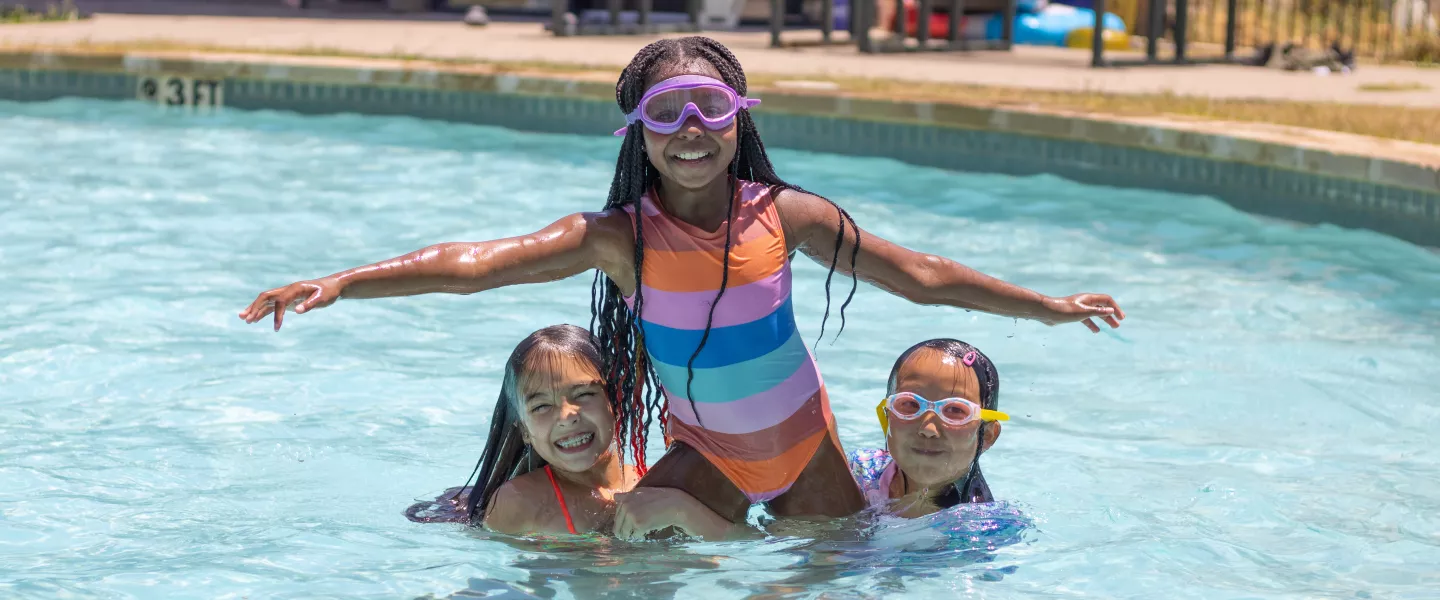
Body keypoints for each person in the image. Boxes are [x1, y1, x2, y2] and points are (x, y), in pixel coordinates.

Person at [240, 36, 1123, 529]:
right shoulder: (620, 238)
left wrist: (1044, 308)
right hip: (711, 451)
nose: (691, 130)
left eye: (711, 110)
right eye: (667, 113)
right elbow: (477, 266)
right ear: (639, 131)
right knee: (635, 550)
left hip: (808, 443)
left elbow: (922, 278)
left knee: (845, 574)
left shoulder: (789, 216)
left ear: (740, 121)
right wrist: (344, 282)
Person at [404, 325, 640, 535]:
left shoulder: (654, 483)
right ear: (525, 430)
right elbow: (500, 581)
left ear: (617, 402)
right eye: (542, 406)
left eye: (583, 394)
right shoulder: (521, 502)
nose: (567, 417)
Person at [850, 339, 1006, 518]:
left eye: (955, 410)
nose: (928, 429)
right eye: (909, 404)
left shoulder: (983, 528)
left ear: (987, 435)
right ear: (887, 416)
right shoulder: (860, 471)